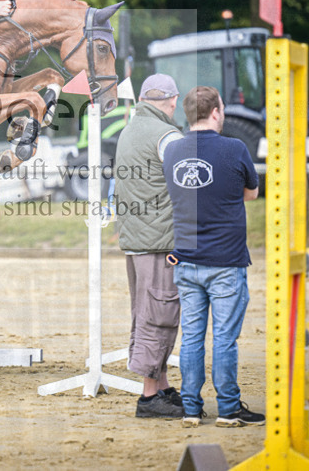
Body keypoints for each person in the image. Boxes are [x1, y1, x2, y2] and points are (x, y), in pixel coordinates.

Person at [162, 86, 263, 428]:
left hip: (186, 261)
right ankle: (229, 408)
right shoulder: (235, 148)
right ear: (217, 112)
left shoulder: (173, 151)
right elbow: (252, 192)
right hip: (226, 261)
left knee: (191, 337)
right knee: (224, 338)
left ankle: (190, 408)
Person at [113, 73, 185, 418]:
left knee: (147, 311)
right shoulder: (167, 135)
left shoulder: (129, 130)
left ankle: (164, 386)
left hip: (136, 238)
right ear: (171, 101)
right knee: (159, 314)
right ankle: (149, 396)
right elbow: (187, 187)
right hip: (160, 239)